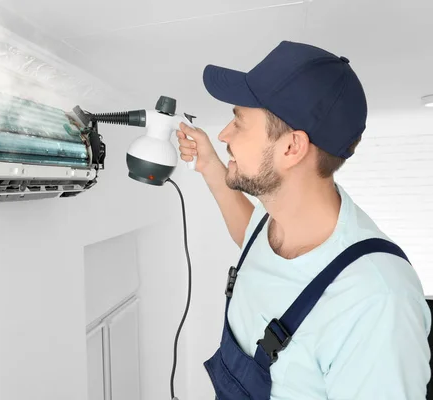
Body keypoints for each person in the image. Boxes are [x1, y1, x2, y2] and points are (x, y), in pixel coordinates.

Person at [176, 40, 431, 400]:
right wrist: (209, 166)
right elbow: (251, 239)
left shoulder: (377, 301)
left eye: (239, 121)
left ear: (292, 147)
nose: (223, 135)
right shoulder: (274, 217)